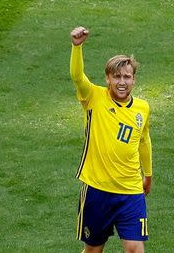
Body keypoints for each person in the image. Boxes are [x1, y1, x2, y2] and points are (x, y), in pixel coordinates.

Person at [69, 26, 153, 253]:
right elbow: (77, 77)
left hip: (131, 192)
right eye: (116, 77)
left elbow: (144, 141)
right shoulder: (93, 97)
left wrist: (148, 174)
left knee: (136, 249)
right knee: (94, 250)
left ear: (134, 80)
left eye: (127, 76)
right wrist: (77, 47)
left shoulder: (142, 108)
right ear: (108, 78)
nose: (122, 82)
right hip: (98, 190)